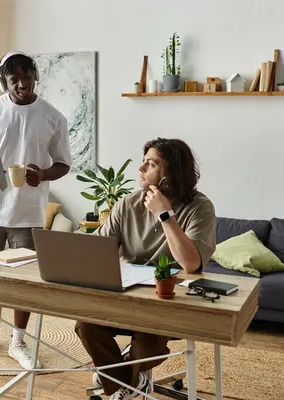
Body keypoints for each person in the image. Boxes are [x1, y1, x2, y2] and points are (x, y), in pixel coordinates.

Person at [75, 138, 216, 400]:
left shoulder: (200, 208)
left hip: (170, 302)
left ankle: (118, 381)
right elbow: (97, 250)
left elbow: (191, 263)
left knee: (148, 340)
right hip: (126, 295)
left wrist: (165, 215)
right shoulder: (128, 204)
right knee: (86, 325)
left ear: (170, 174)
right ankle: (129, 381)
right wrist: (74, 244)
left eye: (151, 164)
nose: (140, 168)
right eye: (144, 161)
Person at [0, 51, 72, 369]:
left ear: (35, 76)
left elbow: (63, 164)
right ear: (4, 82)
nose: (22, 84)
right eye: (14, 79)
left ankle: (18, 341)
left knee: (24, 280)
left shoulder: (53, 117)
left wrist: (43, 175)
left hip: (29, 212)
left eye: (27, 77)